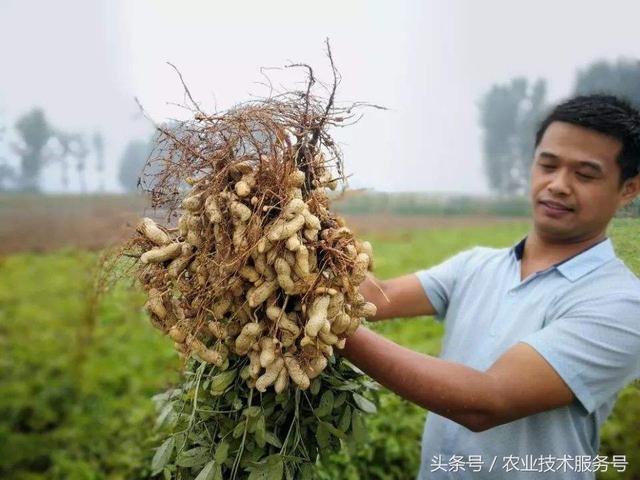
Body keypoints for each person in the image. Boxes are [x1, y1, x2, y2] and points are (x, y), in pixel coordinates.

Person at [342, 94, 640, 479]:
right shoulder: (477, 265)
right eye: (547, 165)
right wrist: (311, 237)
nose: (558, 185)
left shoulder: (622, 305)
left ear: (628, 189)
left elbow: (487, 401)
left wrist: (329, 328)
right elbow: (376, 298)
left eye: (585, 174)